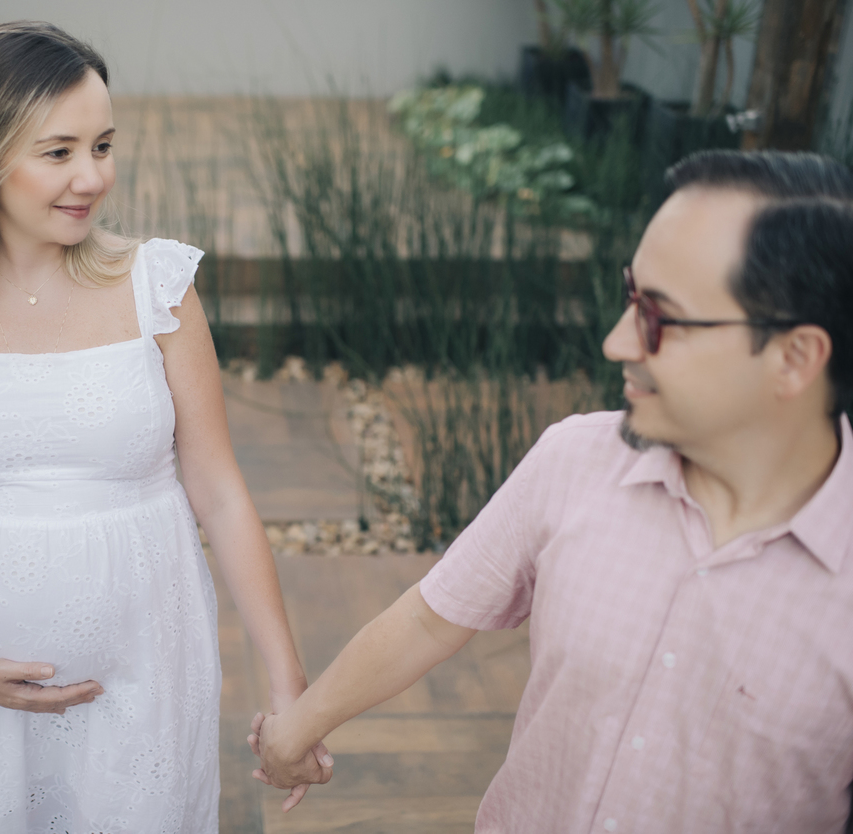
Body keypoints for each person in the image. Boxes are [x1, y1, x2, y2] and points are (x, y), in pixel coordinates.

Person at [249, 150, 853, 832]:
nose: (616, 342)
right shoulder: (575, 461)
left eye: (660, 319)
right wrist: (294, 730)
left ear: (795, 357)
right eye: (631, 298)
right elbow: (428, 620)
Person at [0, 21, 327, 833]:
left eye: (103, 146)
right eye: (59, 152)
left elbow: (219, 493)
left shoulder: (157, 288)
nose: (92, 177)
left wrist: (290, 688)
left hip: (147, 676)